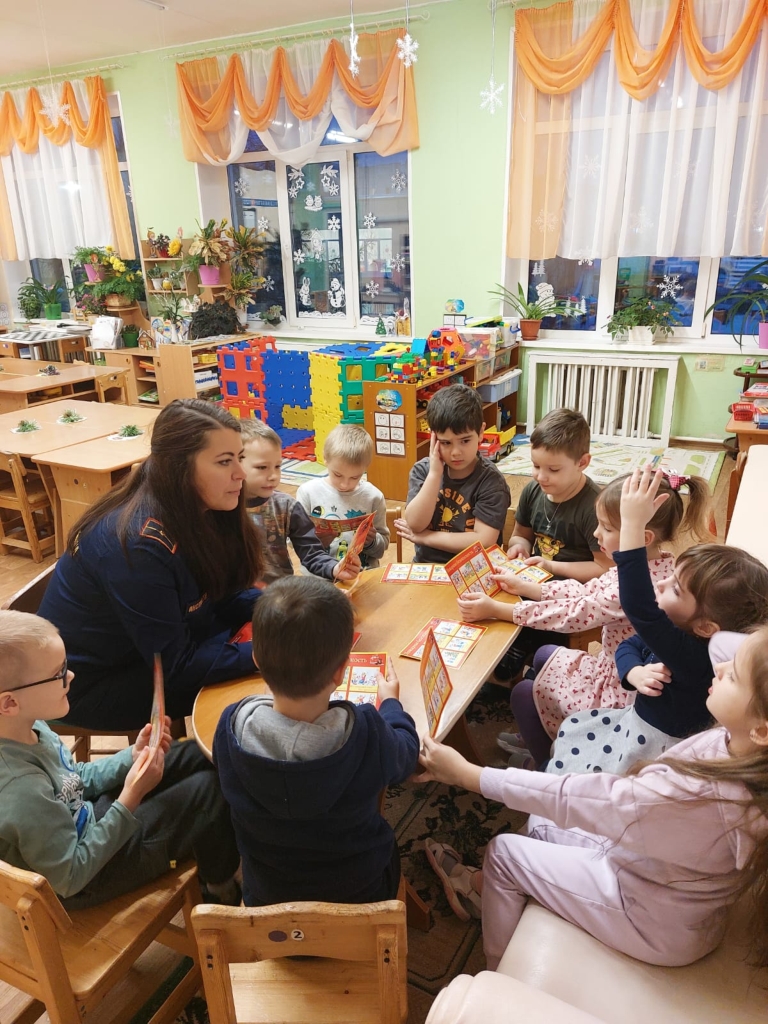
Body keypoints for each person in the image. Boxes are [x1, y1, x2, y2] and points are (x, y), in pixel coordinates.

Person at [418, 622, 768, 971]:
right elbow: (721, 645)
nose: (719, 667)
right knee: (539, 821)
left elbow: (577, 797)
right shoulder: (743, 749)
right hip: (655, 877)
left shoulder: (695, 796)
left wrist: (467, 775)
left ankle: (498, 972)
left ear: (762, 729)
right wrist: (749, 659)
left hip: (649, 919)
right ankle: (495, 893)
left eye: (734, 676)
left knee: (503, 853)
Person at [39, 399, 264, 732]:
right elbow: (177, 669)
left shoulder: (195, 507)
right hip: (88, 686)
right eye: (224, 461)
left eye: (239, 458)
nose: (240, 474)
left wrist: (283, 606)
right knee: (258, 686)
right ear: (178, 467)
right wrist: (269, 653)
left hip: (153, 652)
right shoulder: (138, 545)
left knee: (272, 651)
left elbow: (215, 596)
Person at [459, 471, 708, 768]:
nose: (596, 534)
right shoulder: (654, 561)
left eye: (606, 528)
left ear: (641, 537)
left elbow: (575, 614)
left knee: (524, 692)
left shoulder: (640, 586)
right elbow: (587, 592)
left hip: (620, 691)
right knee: (543, 654)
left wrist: (501, 611)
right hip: (613, 665)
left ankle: (547, 766)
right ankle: (546, 732)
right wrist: (529, 588)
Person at [0, 611, 240, 910]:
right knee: (206, 791)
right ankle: (217, 889)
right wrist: (131, 796)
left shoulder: (30, 726)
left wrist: (131, 757)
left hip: (86, 826)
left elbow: (72, 779)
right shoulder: (21, 788)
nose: (70, 676)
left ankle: (219, 848)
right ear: (9, 703)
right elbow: (71, 876)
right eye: (58, 673)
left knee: (194, 754)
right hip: (87, 879)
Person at [547, 465, 768, 776]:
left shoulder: (695, 656)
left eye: (675, 588)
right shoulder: (681, 627)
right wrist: (634, 671)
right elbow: (629, 645)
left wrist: (632, 527)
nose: (661, 584)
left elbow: (639, 607)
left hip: (647, 746)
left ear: (706, 627)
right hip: (631, 721)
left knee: (577, 769)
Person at [213, 576, 419, 906]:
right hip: (362, 897)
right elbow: (407, 755)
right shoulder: (365, 730)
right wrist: (392, 704)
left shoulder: (229, 726)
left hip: (266, 903)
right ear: (341, 671)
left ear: (256, 661)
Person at [491, 409, 612, 683]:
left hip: (576, 590)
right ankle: (516, 647)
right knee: (498, 592)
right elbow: (521, 534)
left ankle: (540, 657)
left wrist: (551, 565)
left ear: (582, 463)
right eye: (535, 466)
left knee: (546, 613)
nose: (540, 476)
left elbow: (603, 568)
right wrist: (519, 547)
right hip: (535, 578)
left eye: (553, 470)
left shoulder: (594, 506)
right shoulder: (533, 491)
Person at [395, 384, 511, 563]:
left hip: (474, 570)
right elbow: (415, 524)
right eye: (446, 443)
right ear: (434, 438)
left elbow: (484, 540)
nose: (456, 452)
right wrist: (434, 475)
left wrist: (425, 537)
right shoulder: (423, 471)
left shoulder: (491, 481)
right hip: (426, 567)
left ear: (481, 432)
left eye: (465, 441)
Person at [240, 418, 361, 583]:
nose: (273, 475)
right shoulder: (219, 507)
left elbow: (311, 552)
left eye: (277, 466)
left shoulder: (287, 506)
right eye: (262, 467)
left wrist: (334, 568)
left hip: (280, 593)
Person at [296, 424, 390, 569]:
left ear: (365, 468)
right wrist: (316, 540)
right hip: (318, 577)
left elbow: (382, 548)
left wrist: (371, 541)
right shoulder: (307, 492)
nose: (345, 484)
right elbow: (295, 543)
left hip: (363, 575)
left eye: (355, 477)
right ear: (325, 458)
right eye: (338, 475)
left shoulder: (373, 496)